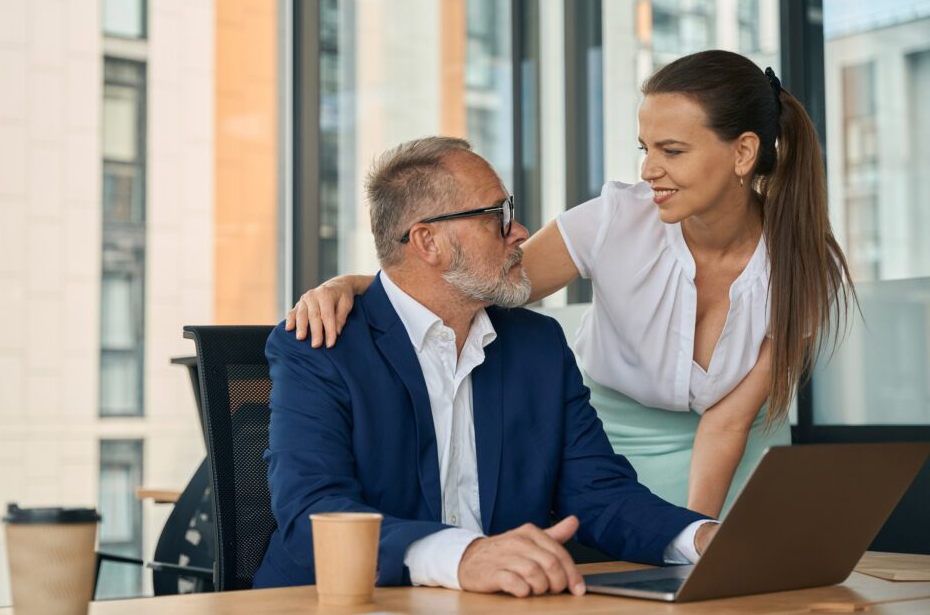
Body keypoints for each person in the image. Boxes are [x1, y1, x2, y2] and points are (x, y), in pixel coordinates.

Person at [284, 50, 856, 519]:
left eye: (672, 151)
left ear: (744, 152)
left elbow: (728, 421)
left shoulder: (803, 267)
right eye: (645, 149)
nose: (648, 170)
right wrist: (359, 284)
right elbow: (481, 278)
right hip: (606, 461)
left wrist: (692, 545)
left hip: (735, 467)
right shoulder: (614, 219)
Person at [254, 137, 717, 597]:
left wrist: (700, 538)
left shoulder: (539, 347)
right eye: (498, 217)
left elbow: (599, 494)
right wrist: (464, 556)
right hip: (343, 602)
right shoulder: (321, 349)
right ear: (427, 241)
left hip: (498, 604)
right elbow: (313, 514)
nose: (520, 233)